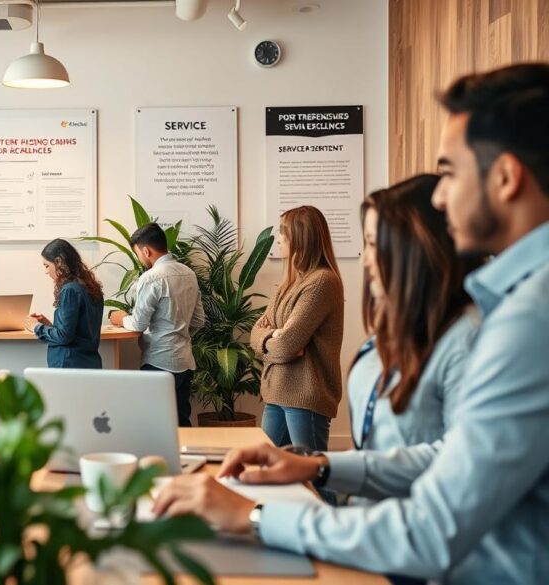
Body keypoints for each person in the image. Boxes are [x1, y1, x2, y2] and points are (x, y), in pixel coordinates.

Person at [153, 64, 549, 584]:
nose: (438, 195)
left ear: (504, 177)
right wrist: (321, 466)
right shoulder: (515, 303)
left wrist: (250, 516)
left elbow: (430, 531)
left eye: (449, 172)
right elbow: (452, 454)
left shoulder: (528, 320)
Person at [350, 175, 477, 468]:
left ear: (412, 251)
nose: (365, 261)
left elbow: (455, 462)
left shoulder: (464, 341)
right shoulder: (387, 335)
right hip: (366, 508)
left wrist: (322, 467)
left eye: (372, 244)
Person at [250, 205, 343, 453]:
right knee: (269, 473)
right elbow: (256, 333)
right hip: (276, 393)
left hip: (305, 396)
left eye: (284, 233)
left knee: (313, 478)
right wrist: (274, 336)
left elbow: (287, 346)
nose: (279, 240)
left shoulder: (322, 281)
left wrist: (278, 339)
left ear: (301, 239)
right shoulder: (288, 284)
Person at [109, 223, 205, 427]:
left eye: (137, 254)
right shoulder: (188, 273)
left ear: (146, 250)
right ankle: (185, 459)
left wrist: (119, 318)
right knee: (180, 420)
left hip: (159, 360)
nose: (139, 259)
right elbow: (198, 320)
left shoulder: (151, 278)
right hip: (185, 360)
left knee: (155, 423)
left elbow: (137, 324)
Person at [23, 238, 104, 369]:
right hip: (90, 364)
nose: (46, 271)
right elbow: (78, 331)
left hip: (69, 364)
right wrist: (48, 325)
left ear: (58, 261)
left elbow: (64, 337)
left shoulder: (70, 290)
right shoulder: (91, 287)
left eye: (47, 265)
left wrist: (35, 327)